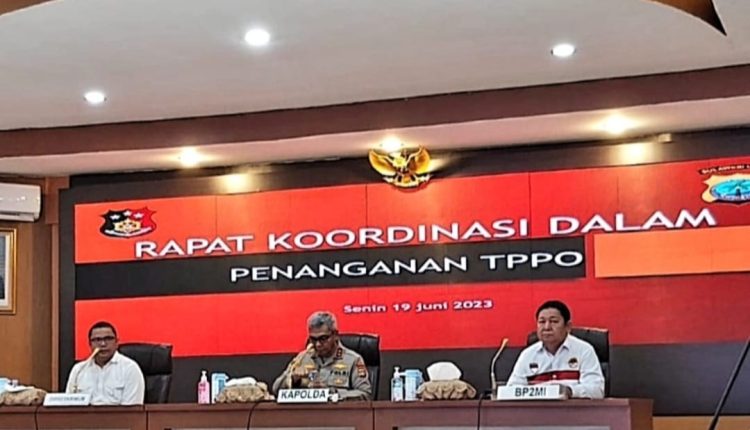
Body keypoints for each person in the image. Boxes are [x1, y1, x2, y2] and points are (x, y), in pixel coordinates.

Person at [507, 300, 605, 399]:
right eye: (542, 322)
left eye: (554, 321)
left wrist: (569, 391)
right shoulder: (527, 355)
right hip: (538, 408)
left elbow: (597, 390)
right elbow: (511, 390)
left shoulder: (584, 350)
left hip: (572, 407)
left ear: (568, 326)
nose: (547, 327)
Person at [273, 311, 372, 400]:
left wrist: (331, 393)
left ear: (335, 335)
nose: (318, 344)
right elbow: (276, 390)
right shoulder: (303, 358)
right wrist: (293, 380)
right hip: (307, 413)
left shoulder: (353, 360)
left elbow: (365, 394)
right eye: (313, 339)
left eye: (323, 338)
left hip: (338, 413)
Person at [65, 321, 145, 405]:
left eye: (108, 339)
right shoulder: (78, 370)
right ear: (90, 344)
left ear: (116, 343)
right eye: (97, 340)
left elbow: (132, 409)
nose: (103, 344)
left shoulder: (130, 368)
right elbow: (69, 405)